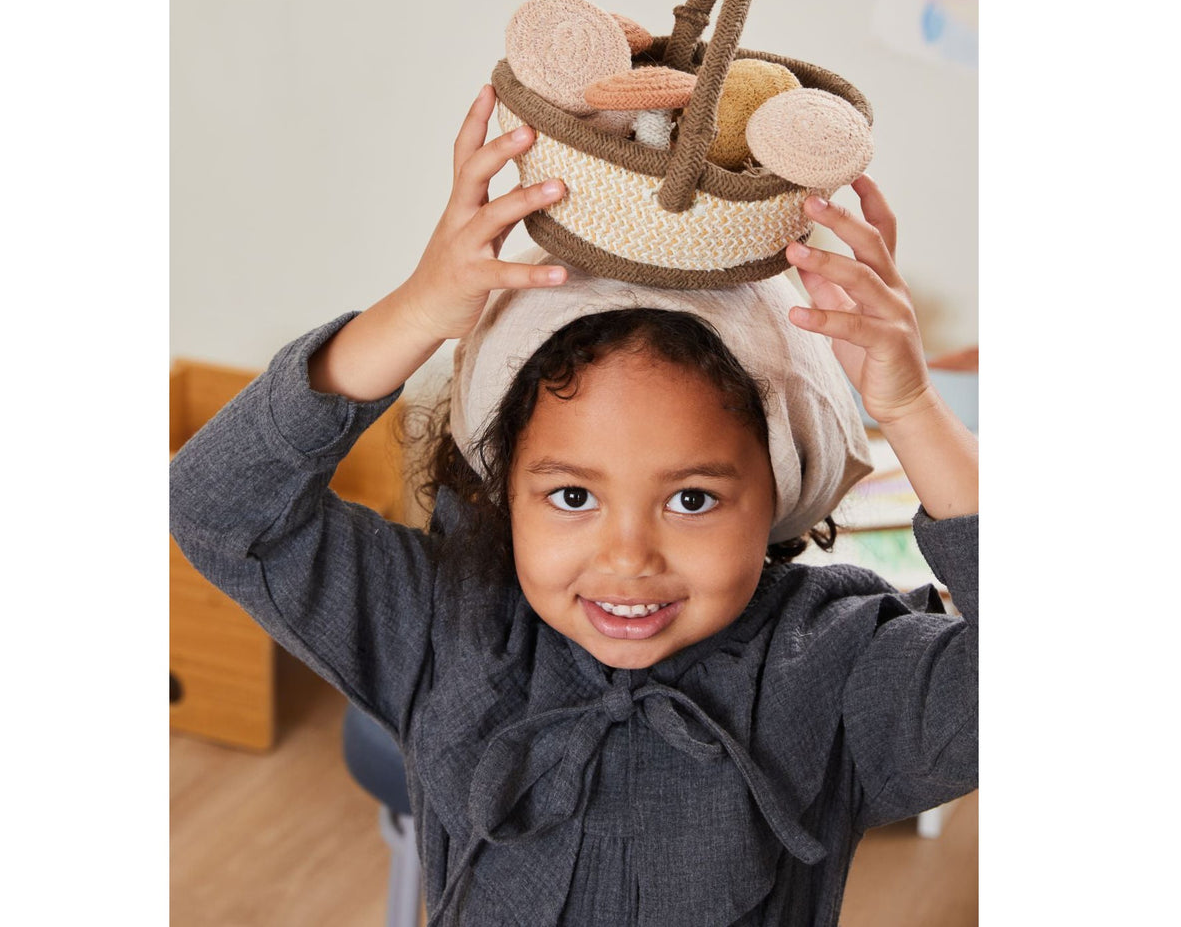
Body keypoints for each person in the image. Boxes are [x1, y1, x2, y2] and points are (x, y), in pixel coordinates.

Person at [169, 84, 978, 926]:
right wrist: (413, 314)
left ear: (779, 486)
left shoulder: (837, 672)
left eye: (693, 498)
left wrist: (912, 409)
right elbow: (218, 505)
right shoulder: (442, 628)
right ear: (503, 485)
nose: (628, 557)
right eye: (571, 495)